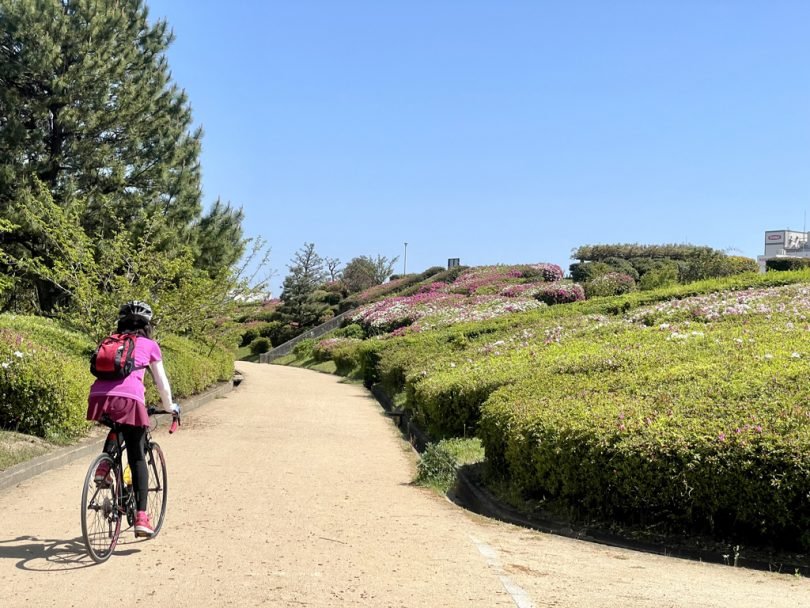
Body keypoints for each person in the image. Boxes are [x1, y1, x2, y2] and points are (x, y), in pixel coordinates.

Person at [86, 300, 178, 538]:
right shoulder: (149, 345)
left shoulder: (110, 341)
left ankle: (105, 466)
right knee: (137, 454)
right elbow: (162, 383)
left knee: (116, 426)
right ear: (147, 325)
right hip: (129, 399)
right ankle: (142, 518)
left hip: (98, 397)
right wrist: (171, 407)